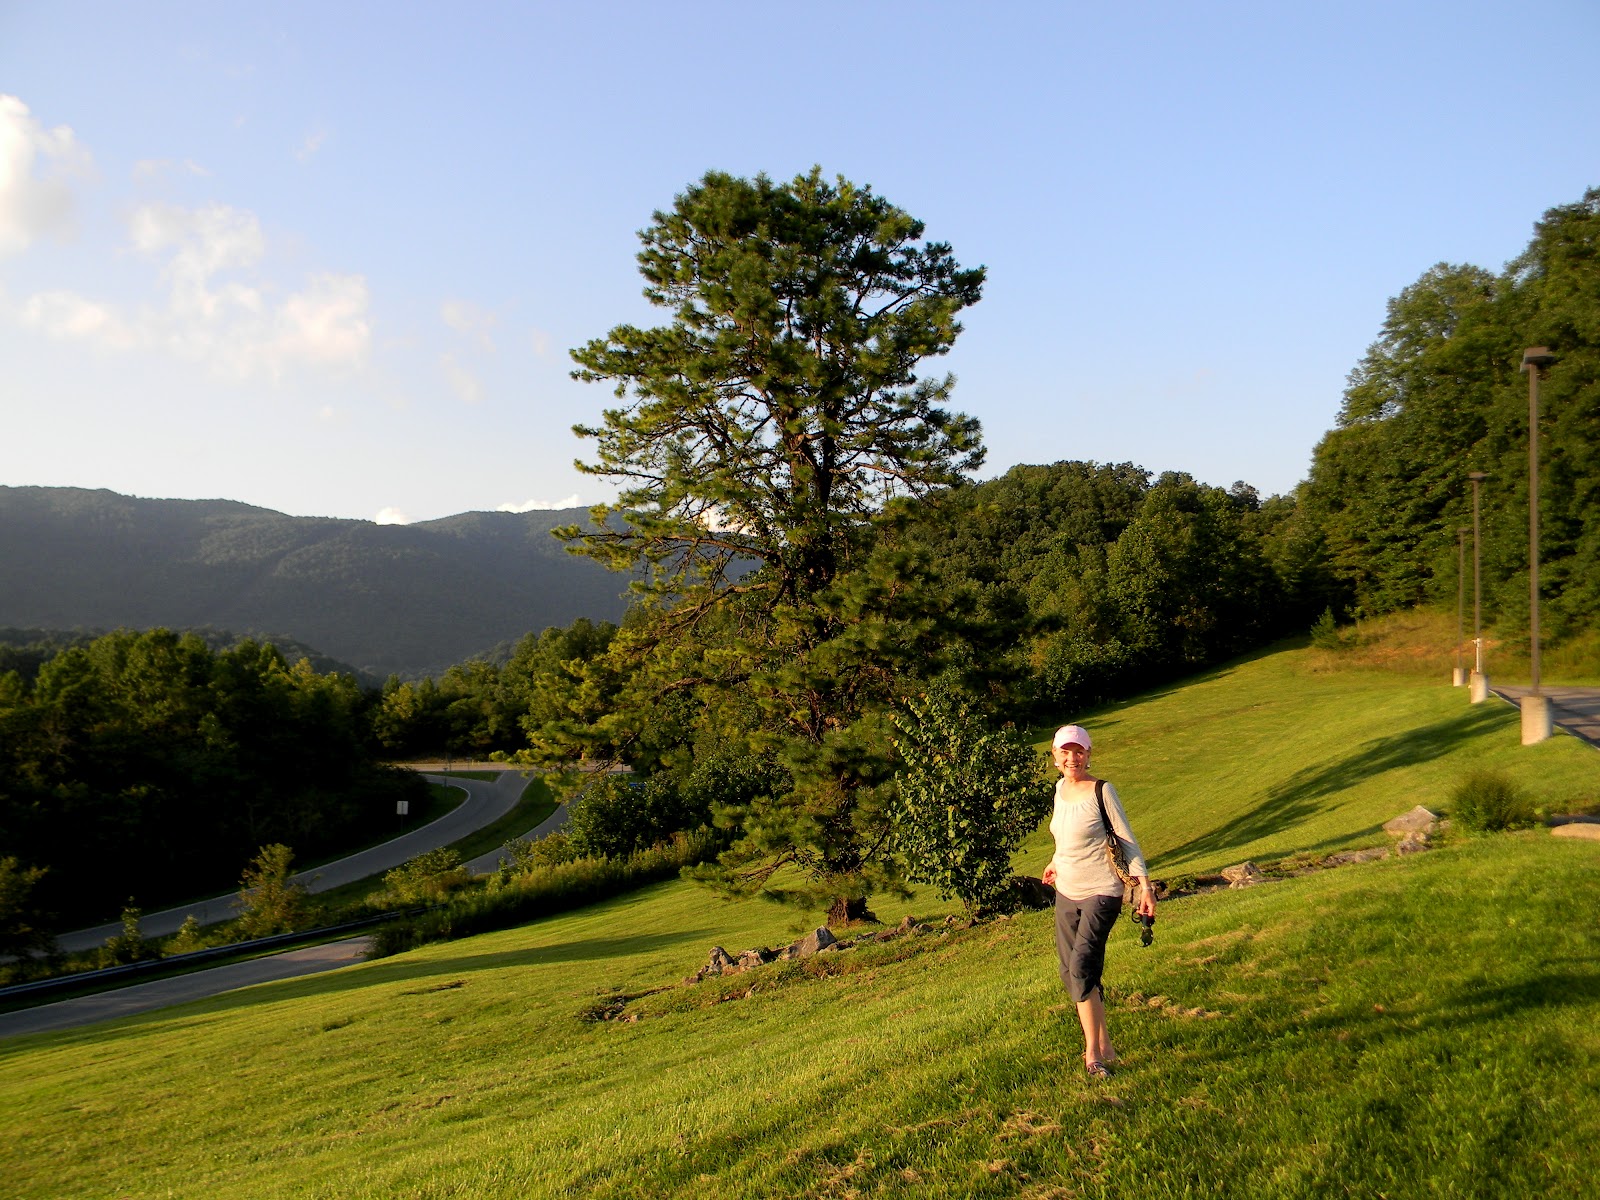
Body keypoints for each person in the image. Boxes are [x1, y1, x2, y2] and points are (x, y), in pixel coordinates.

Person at [1040, 723, 1156, 1079]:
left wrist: (1146, 886)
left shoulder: (1102, 791)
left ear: (1089, 755)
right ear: (1056, 758)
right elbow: (1066, 838)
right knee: (1070, 971)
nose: (1072, 758)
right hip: (1067, 891)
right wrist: (1055, 862)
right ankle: (1106, 1044)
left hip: (1102, 891)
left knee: (1081, 969)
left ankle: (1093, 1056)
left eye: (1079, 752)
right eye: (1065, 752)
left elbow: (1127, 839)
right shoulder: (1060, 790)